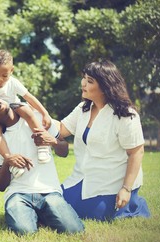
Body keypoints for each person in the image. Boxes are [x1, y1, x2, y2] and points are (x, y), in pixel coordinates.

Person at [33, 59, 150, 221]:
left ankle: (134, 204)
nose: (83, 84)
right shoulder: (83, 109)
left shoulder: (125, 115)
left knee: (75, 214)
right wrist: (34, 114)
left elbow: (137, 152)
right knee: (51, 204)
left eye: (89, 81)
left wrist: (126, 189)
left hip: (111, 184)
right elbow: (61, 129)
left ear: (105, 86)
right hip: (82, 178)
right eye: (84, 78)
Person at [0, 95, 85, 235]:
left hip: (49, 191)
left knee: (74, 230)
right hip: (18, 194)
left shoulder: (37, 118)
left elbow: (63, 151)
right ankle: (37, 215)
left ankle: (41, 214)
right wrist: (7, 162)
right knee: (24, 232)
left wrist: (52, 141)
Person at [0, 49, 52, 178]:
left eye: (5, 76)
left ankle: (42, 145)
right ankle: (10, 160)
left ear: (12, 71)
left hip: (13, 109)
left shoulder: (13, 83)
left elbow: (29, 98)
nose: (0, 79)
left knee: (26, 109)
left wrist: (45, 113)